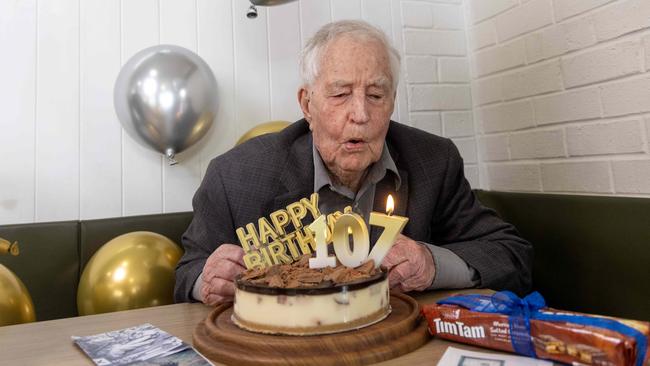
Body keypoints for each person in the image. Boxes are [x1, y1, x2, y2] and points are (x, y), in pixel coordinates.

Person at [174, 20, 532, 305]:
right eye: (340, 94)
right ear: (307, 104)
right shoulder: (235, 176)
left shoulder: (434, 161)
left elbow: (510, 255)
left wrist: (431, 263)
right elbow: (189, 272)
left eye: (376, 95)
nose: (360, 114)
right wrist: (209, 278)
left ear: (392, 102)